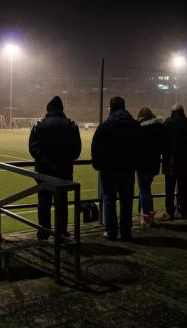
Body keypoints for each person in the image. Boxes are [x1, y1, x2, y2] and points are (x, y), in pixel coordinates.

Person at [29, 96, 81, 241]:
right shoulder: (71, 124)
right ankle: (62, 232)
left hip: (43, 172)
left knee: (44, 202)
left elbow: (33, 148)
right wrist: (62, 163)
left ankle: (44, 233)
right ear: (62, 109)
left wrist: (47, 164)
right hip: (64, 172)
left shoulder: (39, 124)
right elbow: (76, 150)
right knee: (62, 202)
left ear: (48, 109)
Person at [92, 96, 141, 240]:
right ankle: (126, 231)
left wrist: (98, 164)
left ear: (111, 107)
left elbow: (96, 146)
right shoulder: (134, 125)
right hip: (128, 169)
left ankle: (111, 231)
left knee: (109, 199)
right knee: (127, 200)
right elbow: (142, 146)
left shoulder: (106, 125)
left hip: (109, 169)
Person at [162, 104, 187, 220]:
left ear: (172, 111)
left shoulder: (167, 123)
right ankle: (184, 211)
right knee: (183, 188)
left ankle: (170, 212)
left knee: (169, 189)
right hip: (184, 162)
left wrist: (166, 154)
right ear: (183, 111)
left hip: (169, 162)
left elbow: (161, 143)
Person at [135, 107, 165, 227]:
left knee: (144, 190)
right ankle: (148, 215)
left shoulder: (139, 127)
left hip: (142, 163)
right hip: (154, 163)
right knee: (147, 189)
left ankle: (146, 216)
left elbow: (136, 145)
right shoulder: (159, 127)